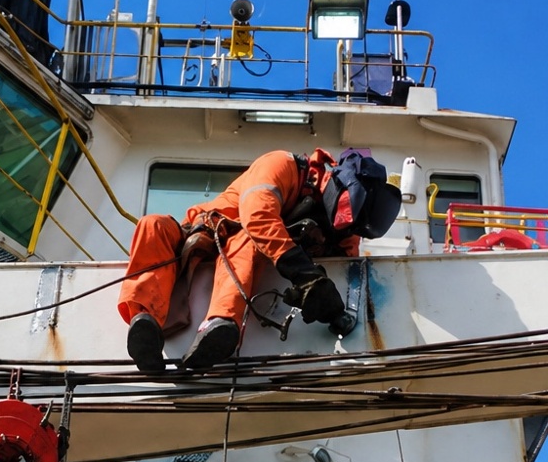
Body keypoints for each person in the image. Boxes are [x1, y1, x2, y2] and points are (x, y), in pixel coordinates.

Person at [117, 148, 402, 373]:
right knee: (151, 225)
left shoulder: (344, 232)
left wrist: (330, 304)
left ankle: (220, 327)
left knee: (245, 240)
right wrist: (304, 275)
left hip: (242, 252)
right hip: (201, 238)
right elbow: (257, 216)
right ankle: (145, 323)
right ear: (339, 187)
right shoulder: (283, 165)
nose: (344, 227)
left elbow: (344, 274)